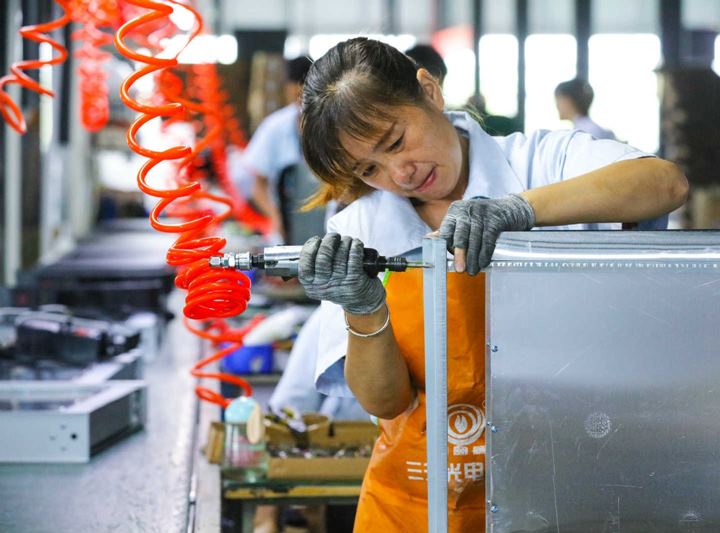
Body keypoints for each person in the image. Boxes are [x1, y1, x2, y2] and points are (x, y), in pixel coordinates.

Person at [296, 38, 688, 531]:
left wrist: (520, 209)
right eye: (368, 170)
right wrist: (363, 309)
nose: (400, 173)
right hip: (422, 503)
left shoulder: (541, 162)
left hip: (569, 490)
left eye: (396, 142)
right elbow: (384, 402)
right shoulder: (360, 231)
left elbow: (664, 184)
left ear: (429, 91)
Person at [242, 56, 314, 242]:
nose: (301, 100)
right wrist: (276, 216)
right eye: (296, 95)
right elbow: (257, 186)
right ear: (287, 90)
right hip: (285, 227)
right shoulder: (274, 127)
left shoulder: (332, 125)